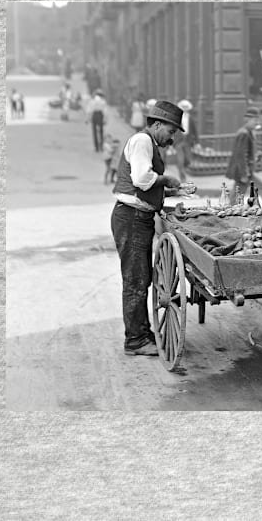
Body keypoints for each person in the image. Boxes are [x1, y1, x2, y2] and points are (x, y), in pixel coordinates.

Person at [110, 101, 188, 356]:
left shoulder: (149, 143)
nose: (172, 138)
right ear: (156, 125)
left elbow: (147, 185)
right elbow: (142, 180)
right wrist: (167, 180)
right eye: (171, 131)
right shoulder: (143, 141)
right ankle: (135, 340)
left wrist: (169, 193)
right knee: (135, 281)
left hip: (137, 217)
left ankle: (141, 334)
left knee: (140, 278)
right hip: (132, 218)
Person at [226, 107, 262, 220]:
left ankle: (227, 216)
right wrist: (244, 173)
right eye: (254, 120)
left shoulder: (247, 132)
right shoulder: (244, 134)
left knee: (236, 196)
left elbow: (245, 154)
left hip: (245, 171)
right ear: (247, 119)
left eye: (257, 120)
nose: (256, 123)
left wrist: (255, 158)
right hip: (244, 172)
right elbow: (240, 156)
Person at [172, 99, 198, 181]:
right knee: (180, 160)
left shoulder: (190, 118)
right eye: (183, 107)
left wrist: (197, 142)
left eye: (186, 107)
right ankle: (182, 178)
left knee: (188, 160)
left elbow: (195, 130)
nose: (184, 108)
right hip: (178, 141)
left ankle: (183, 168)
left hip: (188, 141)